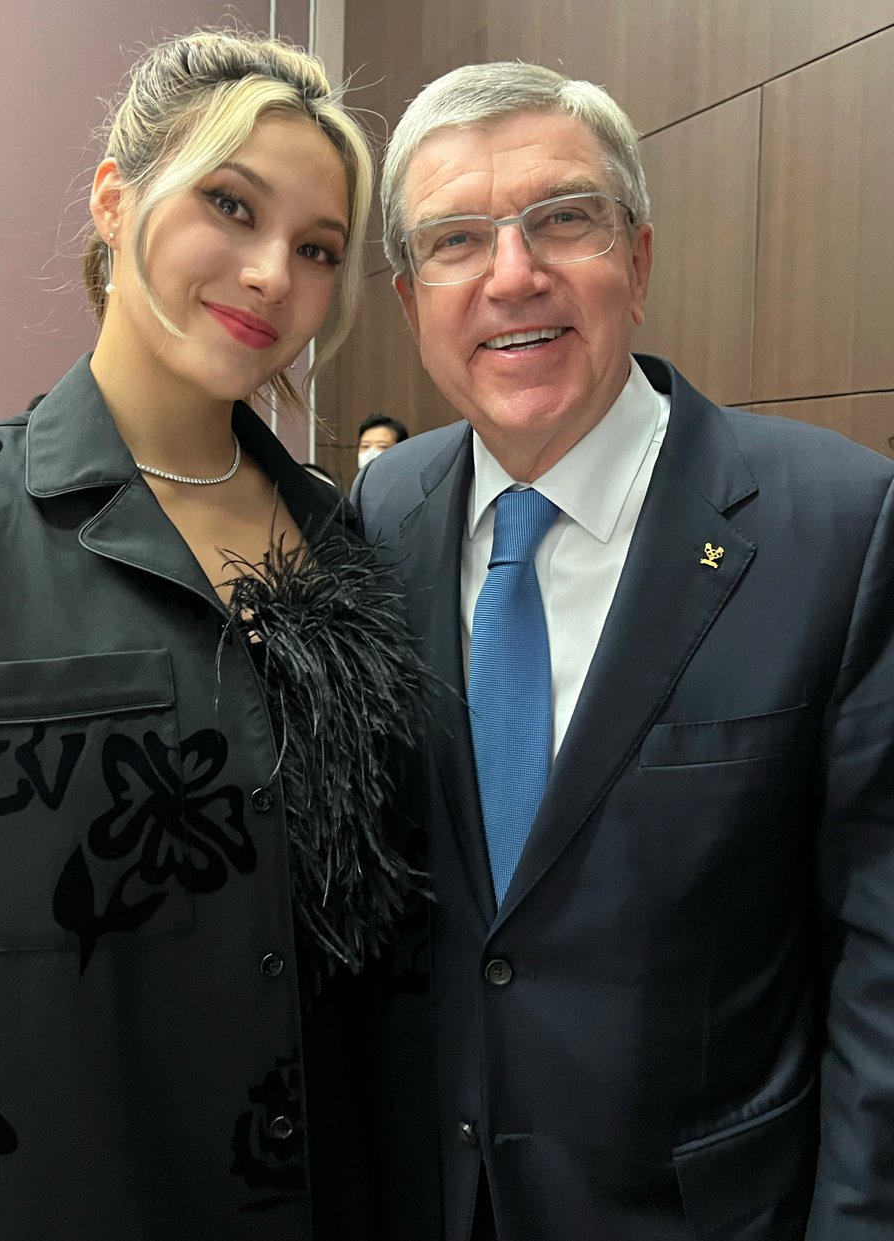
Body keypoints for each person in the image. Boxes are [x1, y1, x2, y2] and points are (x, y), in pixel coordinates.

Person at [0, 30, 434, 1241]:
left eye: (318, 248)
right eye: (230, 205)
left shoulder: (346, 552)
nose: (271, 272)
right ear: (115, 199)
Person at [353, 59, 894, 1241]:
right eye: (455, 240)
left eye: (562, 219)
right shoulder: (377, 513)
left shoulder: (839, 526)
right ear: (409, 299)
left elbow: (881, 959)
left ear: (637, 262)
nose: (513, 273)